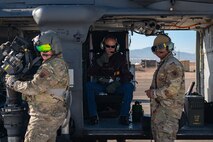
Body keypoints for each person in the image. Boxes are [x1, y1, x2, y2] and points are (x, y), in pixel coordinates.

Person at [5, 30, 69, 142]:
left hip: (44, 116)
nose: (43, 53)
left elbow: (34, 88)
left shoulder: (51, 66)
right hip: (51, 114)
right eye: (40, 49)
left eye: (45, 48)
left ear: (54, 47)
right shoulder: (57, 63)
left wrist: (13, 83)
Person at [86, 34, 134, 125]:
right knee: (89, 86)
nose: (110, 48)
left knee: (129, 87)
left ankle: (124, 116)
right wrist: (99, 62)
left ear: (117, 47)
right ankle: (93, 116)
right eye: (107, 46)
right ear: (103, 46)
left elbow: (127, 75)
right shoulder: (98, 57)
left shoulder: (121, 58)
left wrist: (117, 83)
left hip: (116, 85)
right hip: (102, 85)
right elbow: (90, 72)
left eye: (113, 46)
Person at [145, 34, 185, 142]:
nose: (159, 50)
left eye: (163, 46)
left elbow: (172, 89)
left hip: (168, 114)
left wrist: (153, 93)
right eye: (156, 48)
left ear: (169, 47)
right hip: (161, 113)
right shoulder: (165, 63)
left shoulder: (172, 64)